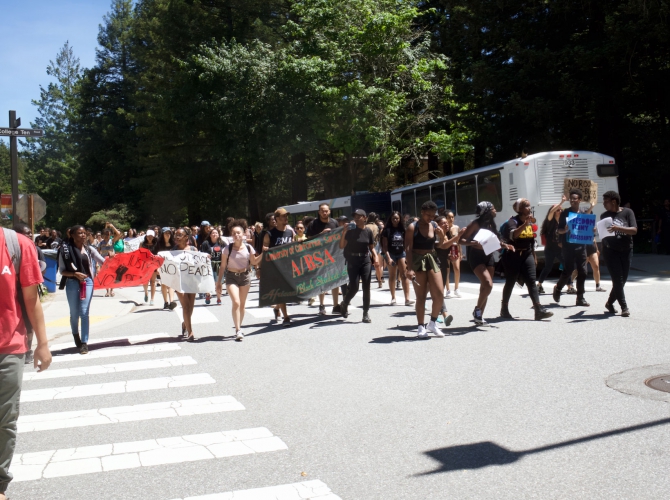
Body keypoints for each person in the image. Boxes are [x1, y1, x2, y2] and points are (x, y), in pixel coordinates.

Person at [0, 227, 52, 500]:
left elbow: (32, 299)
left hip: (7, 348)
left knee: (4, 419)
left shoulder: (17, 245)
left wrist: (42, 344)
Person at [406, 202, 459, 337]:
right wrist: (409, 268)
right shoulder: (413, 227)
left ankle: (433, 323)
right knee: (421, 296)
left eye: (432, 215)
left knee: (439, 293)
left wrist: (441, 236)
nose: (430, 217)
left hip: (432, 259)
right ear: (422, 212)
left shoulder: (434, 226)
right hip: (418, 261)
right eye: (428, 214)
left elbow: (440, 245)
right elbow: (408, 249)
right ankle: (420, 326)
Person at [460, 201, 514, 325]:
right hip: (476, 257)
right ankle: (477, 310)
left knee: (484, 287)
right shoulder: (475, 224)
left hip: (488, 256)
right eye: (494, 208)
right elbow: (461, 240)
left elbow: (495, 241)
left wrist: (505, 245)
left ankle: (479, 316)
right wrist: (472, 243)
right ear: (487, 211)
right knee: (488, 284)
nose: (495, 211)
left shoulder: (491, 224)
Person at [500, 199, 553, 320]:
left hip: (527, 254)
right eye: (526, 206)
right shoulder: (512, 222)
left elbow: (530, 241)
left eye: (529, 206)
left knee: (531, 281)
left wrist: (533, 256)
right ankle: (504, 308)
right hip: (513, 256)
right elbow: (513, 235)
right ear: (520, 209)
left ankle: (538, 309)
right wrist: (525, 224)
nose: (529, 208)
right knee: (510, 282)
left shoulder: (529, 223)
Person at [58, 225, 106, 354]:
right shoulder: (65, 251)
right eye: (79, 233)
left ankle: (84, 342)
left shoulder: (90, 250)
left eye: (84, 233)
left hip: (87, 282)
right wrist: (74, 274)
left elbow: (103, 262)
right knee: (74, 313)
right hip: (72, 283)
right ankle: (76, 335)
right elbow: (62, 271)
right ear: (72, 235)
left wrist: (115, 261)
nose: (83, 235)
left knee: (84, 312)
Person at [217, 220, 263, 340]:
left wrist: (263, 253)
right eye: (233, 233)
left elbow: (253, 262)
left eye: (238, 233)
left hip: (245, 276)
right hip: (231, 276)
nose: (236, 235)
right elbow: (222, 266)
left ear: (243, 235)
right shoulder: (227, 249)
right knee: (236, 302)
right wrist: (218, 282)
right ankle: (238, 330)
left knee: (242, 305)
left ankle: (239, 327)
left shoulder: (249, 248)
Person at [601, 191, 637, 317]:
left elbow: (634, 230)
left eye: (606, 201)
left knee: (623, 280)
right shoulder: (604, 216)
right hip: (611, 251)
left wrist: (618, 228)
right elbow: (604, 234)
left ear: (614, 202)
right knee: (617, 279)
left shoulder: (627, 212)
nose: (604, 204)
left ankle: (609, 303)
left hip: (626, 250)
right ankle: (624, 307)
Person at [339, 209, 379, 323]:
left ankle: (365, 313)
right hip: (353, 260)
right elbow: (341, 246)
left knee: (366, 287)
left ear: (365, 218)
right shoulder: (350, 231)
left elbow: (371, 247)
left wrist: (375, 257)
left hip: (365, 260)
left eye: (359, 216)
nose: (356, 218)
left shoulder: (368, 231)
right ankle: (345, 303)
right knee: (354, 287)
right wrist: (344, 233)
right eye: (355, 216)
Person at [553, 189, 590, 307]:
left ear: (580, 200)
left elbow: (587, 230)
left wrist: (591, 230)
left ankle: (580, 297)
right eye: (571, 199)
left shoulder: (584, 214)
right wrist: (565, 230)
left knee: (583, 271)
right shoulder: (565, 213)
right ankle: (558, 288)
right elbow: (558, 229)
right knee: (568, 270)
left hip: (581, 246)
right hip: (568, 247)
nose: (573, 201)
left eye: (575, 199)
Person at [306, 203, 341, 314]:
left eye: (326, 211)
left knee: (335, 280)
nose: (324, 213)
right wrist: (321, 234)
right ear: (319, 212)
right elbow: (308, 239)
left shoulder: (334, 223)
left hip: (333, 254)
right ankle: (321, 305)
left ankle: (336, 305)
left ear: (329, 211)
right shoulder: (313, 224)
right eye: (322, 211)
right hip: (319, 256)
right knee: (321, 280)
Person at [263, 208, 295, 326]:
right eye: (283, 216)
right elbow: (264, 250)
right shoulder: (270, 234)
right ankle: (286, 317)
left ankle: (277, 308)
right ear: (277, 219)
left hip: (288, 266)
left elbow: (295, 245)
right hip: (275, 267)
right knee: (281, 291)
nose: (286, 218)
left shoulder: (290, 232)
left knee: (287, 292)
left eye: (286, 216)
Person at [434, 215, 462, 323]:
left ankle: (434, 314)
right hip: (435, 265)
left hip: (443, 264)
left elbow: (445, 250)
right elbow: (443, 246)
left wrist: (450, 256)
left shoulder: (446, 234)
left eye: (446, 223)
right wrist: (458, 236)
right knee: (439, 291)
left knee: (437, 292)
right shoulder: (436, 235)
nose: (446, 224)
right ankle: (445, 315)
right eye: (443, 223)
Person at [172, 227, 199, 341]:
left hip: (192, 281)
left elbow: (199, 264)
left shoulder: (193, 249)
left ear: (186, 237)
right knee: (186, 306)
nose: (177, 237)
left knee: (191, 308)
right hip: (179, 282)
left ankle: (185, 323)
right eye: (176, 235)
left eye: (180, 235)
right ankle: (190, 331)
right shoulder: (172, 251)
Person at [381, 211, 412, 306]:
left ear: (400, 219)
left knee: (404, 275)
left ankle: (407, 299)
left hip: (401, 253)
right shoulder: (387, 230)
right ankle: (393, 298)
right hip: (391, 254)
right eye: (393, 218)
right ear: (391, 219)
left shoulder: (403, 229)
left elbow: (407, 243)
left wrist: (407, 256)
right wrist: (388, 258)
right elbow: (385, 246)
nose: (395, 220)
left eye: (397, 218)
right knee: (392, 276)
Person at [98, 223, 122, 298]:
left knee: (113, 276)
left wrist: (112, 226)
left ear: (110, 235)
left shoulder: (112, 241)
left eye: (108, 234)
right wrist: (97, 263)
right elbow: (98, 253)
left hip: (112, 261)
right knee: (106, 276)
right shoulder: (100, 243)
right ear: (102, 235)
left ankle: (112, 290)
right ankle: (107, 291)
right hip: (104, 261)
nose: (106, 236)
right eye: (105, 234)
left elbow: (118, 234)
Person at [201, 228, 224, 305]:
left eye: (216, 233)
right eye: (213, 233)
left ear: (218, 235)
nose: (214, 234)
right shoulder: (206, 243)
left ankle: (218, 298)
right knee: (209, 281)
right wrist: (206, 256)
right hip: (209, 265)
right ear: (210, 235)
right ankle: (208, 294)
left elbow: (226, 253)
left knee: (219, 282)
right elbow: (201, 254)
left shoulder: (222, 243)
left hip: (219, 265)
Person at [157, 227, 178, 311]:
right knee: (164, 284)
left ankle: (172, 301)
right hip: (162, 266)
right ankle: (166, 302)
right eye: (166, 233)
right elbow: (156, 257)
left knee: (171, 284)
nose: (168, 235)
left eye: (169, 233)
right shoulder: (158, 245)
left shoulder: (174, 244)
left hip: (171, 266)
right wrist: (157, 268)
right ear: (162, 234)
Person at [443, 211, 462, 298]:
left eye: (452, 217)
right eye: (449, 217)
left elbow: (459, 241)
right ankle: (448, 290)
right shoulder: (444, 228)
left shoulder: (457, 227)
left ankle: (456, 288)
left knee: (457, 269)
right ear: (446, 218)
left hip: (455, 250)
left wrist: (460, 253)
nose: (451, 219)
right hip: (446, 251)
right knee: (447, 270)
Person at [365, 213, 384, 287]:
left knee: (368, 265)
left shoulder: (365, 226)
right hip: (376, 246)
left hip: (367, 246)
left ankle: (367, 282)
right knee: (377, 265)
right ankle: (380, 281)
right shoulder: (377, 227)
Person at [141, 229, 158, 306]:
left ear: (153, 237)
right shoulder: (142, 244)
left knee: (153, 282)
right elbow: (139, 254)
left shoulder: (156, 245)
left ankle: (152, 299)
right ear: (146, 236)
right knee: (145, 281)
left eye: (151, 236)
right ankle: (146, 293)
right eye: (148, 236)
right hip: (145, 265)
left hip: (153, 265)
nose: (150, 237)